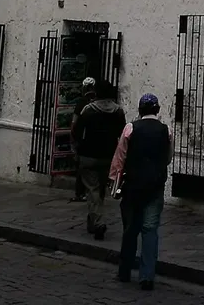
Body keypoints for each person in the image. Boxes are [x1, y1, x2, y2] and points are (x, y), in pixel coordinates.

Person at [110, 92, 171, 291]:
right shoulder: (165, 131)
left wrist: (115, 182)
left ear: (139, 110)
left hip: (133, 186)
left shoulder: (130, 128)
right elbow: (168, 158)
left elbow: (120, 159)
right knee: (150, 229)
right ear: (158, 110)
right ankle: (147, 276)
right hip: (155, 186)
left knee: (130, 229)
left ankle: (124, 271)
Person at [71, 80, 124, 240]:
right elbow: (122, 135)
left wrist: (77, 149)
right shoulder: (118, 111)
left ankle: (98, 221)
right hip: (108, 156)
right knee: (99, 189)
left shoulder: (89, 110)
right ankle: (93, 219)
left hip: (88, 155)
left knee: (93, 190)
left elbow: (77, 131)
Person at [71, 76, 97, 201]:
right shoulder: (96, 101)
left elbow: (74, 122)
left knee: (80, 167)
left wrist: (73, 136)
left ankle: (79, 193)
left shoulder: (81, 102)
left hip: (81, 138)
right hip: (93, 139)